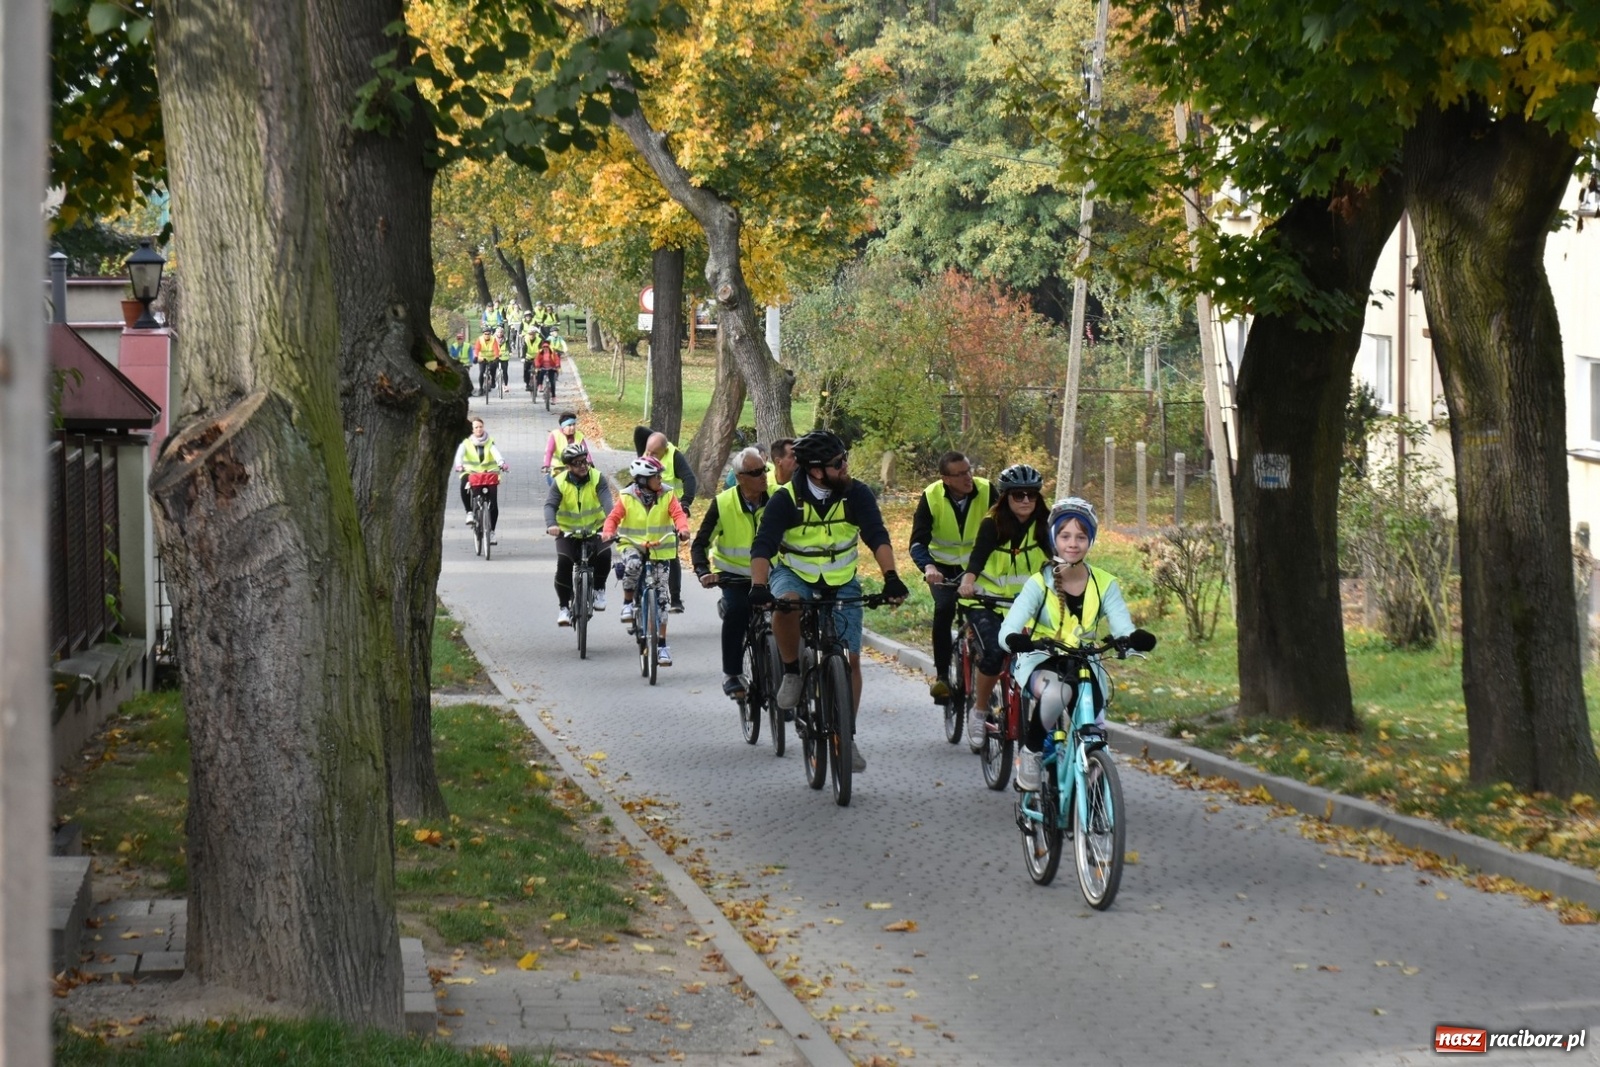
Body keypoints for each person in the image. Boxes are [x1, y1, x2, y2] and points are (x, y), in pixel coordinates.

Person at [748, 430, 910, 772]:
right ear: (817, 470)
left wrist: (892, 577)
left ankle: (846, 737)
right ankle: (792, 670)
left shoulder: (856, 494)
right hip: (794, 575)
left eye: (844, 459)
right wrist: (759, 585)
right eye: (838, 463)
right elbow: (763, 545)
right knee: (787, 603)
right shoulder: (786, 500)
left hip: (842, 580)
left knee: (849, 659)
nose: (845, 467)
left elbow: (876, 535)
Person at [997, 497, 1141, 792]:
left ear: (1091, 540)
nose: (1073, 543)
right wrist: (1015, 639)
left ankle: (1093, 795)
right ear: (1053, 539)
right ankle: (1032, 752)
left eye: (1081, 536)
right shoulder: (1038, 583)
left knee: (1096, 731)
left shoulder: (1105, 583)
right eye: (1065, 536)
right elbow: (1009, 627)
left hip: (1086, 664)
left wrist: (1131, 640)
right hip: (1041, 659)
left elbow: (1122, 624)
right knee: (1056, 693)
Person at [955, 464, 1051, 750]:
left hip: (1028, 605)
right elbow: (977, 559)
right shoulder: (992, 523)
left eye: (1031, 495)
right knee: (996, 653)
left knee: (1054, 652)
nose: (1025, 501)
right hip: (988, 601)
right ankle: (980, 710)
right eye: (1018, 495)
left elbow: (1058, 562)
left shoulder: (1045, 524)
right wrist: (968, 582)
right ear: (1005, 497)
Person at [908, 452, 995, 705]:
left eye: (970, 470)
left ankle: (984, 671)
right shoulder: (932, 496)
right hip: (943, 571)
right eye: (960, 474)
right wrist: (928, 567)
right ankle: (943, 677)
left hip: (979, 569)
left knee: (983, 617)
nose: (968, 477)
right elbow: (917, 542)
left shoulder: (988, 491)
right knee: (944, 609)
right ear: (946, 479)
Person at [692, 447, 772, 697]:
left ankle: (785, 680)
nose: (763, 476)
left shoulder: (777, 499)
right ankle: (732, 674)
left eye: (765, 470)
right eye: (756, 472)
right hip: (735, 577)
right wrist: (704, 571)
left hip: (773, 576)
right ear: (740, 477)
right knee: (737, 612)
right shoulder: (723, 503)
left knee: (790, 618)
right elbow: (700, 543)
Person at [602, 455, 691, 666]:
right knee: (632, 566)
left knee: (662, 598)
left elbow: (678, 514)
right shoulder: (627, 496)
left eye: (660, 475)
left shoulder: (668, 494)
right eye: (655, 476)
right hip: (633, 545)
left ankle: (662, 646)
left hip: (660, 549)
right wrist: (608, 531)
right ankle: (627, 603)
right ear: (642, 480)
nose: (660, 479)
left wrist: (683, 529)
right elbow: (613, 518)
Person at [544, 443, 615, 626]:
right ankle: (564, 607)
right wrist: (552, 524)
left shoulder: (597, 478)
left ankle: (599, 589)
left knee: (605, 554)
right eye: (577, 463)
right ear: (568, 467)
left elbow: (607, 501)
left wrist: (610, 523)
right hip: (567, 532)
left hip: (595, 529)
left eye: (584, 461)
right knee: (564, 563)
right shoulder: (560, 482)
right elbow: (550, 506)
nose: (583, 466)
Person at [639, 429, 698, 612]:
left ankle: (676, 599)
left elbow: (690, 479)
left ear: (664, 451)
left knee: (672, 556)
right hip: (646, 511)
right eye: (648, 451)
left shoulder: (674, 456)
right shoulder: (647, 455)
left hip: (670, 511)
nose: (649, 456)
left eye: (654, 453)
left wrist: (685, 504)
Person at [453, 417, 508, 544]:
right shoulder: (466, 442)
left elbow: (496, 453)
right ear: (472, 429)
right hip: (470, 472)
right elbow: (459, 455)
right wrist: (459, 465)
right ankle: (469, 512)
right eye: (476, 427)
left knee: (493, 503)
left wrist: (501, 463)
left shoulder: (489, 441)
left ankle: (492, 532)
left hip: (488, 474)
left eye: (480, 426)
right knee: (463, 485)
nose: (479, 429)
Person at [544, 412, 589, 484]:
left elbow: (586, 451)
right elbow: (549, 451)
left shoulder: (579, 435)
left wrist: (590, 462)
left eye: (574, 424)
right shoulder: (555, 435)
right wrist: (546, 465)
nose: (573, 427)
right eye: (569, 425)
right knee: (557, 488)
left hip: (574, 468)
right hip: (557, 468)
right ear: (563, 427)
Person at [472, 327, 502, 396]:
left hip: (491, 358)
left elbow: (496, 349)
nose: (487, 335)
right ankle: (480, 388)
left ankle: (493, 381)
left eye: (488, 334)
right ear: (483, 334)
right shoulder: (480, 339)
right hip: (482, 358)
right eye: (485, 334)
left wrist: (497, 357)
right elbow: (477, 349)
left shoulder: (493, 339)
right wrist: (476, 356)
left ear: (490, 334)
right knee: (481, 372)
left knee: (493, 369)